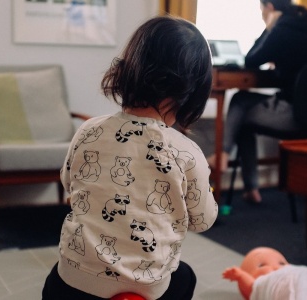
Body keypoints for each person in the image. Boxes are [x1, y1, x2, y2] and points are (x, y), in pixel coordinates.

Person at [42, 15, 218, 300]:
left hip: (74, 282)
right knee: (185, 276)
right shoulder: (187, 153)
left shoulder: (88, 130)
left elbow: (69, 183)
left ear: (128, 69)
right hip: (147, 287)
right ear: (193, 92)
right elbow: (202, 220)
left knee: (53, 283)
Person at [207, 0, 307, 203]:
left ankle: (223, 155)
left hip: (295, 116)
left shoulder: (282, 29)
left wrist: (268, 29)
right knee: (243, 120)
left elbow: (251, 60)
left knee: (240, 100)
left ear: (270, 8)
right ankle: (251, 189)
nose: (261, 15)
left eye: (261, 10)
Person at [223, 247, 307, 300]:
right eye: (262, 265)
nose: (275, 266)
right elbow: (252, 286)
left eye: (282, 263)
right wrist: (241, 276)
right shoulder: (262, 284)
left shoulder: (293, 270)